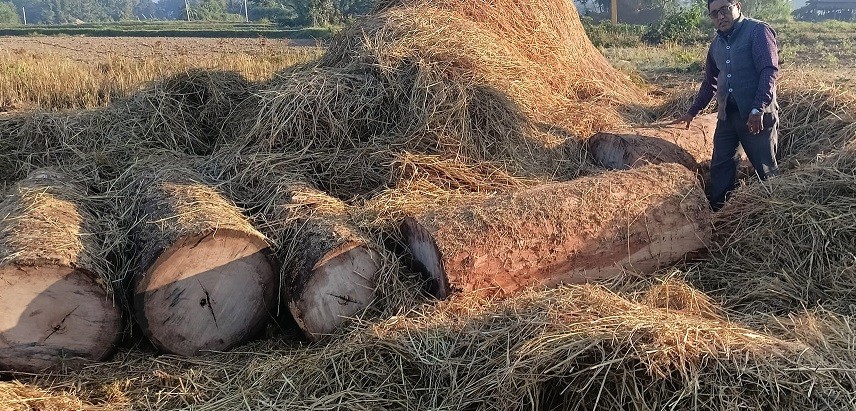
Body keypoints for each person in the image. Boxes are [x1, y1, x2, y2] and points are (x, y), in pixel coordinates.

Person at [673, 0, 780, 211]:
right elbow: (710, 82)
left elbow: (769, 71)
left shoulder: (757, 31)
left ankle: (775, 215)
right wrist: (692, 112)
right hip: (727, 118)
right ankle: (720, 215)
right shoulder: (716, 45)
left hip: (756, 116)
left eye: (725, 10)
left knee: (766, 170)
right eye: (714, 14)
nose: (720, 17)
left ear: (737, 6)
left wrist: (758, 108)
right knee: (721, 167)